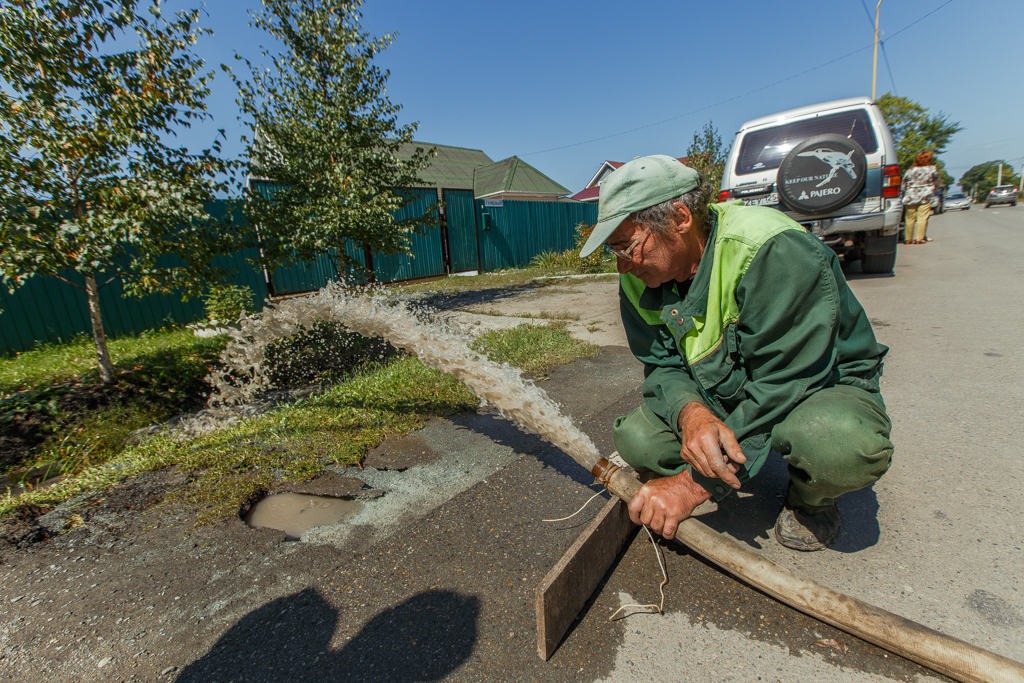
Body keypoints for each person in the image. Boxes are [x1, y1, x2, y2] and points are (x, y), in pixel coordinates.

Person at [579, 155, 894, 551]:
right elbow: (662, 366)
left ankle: (811, 499)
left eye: (628, 245)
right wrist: (691, 412)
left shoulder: (770, 249)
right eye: (615, 251)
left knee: (840, 445)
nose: (624, 266)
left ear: (680, 218)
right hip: (728, 390)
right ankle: (738, 458)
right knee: (639, 439)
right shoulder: (641, 278)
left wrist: (691, 486)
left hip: (812, 387)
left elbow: (786, 383)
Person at [901, 151, 940, 245]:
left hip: (911, 195)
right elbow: (937, 181)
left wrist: (905, 192)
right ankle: (919, 238)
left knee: (909, 218)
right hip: (926, 195)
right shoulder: (932, 169)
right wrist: (934, 189)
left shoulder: (910, 170)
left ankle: (908, 239)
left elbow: (904, 183)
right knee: (922, 217)